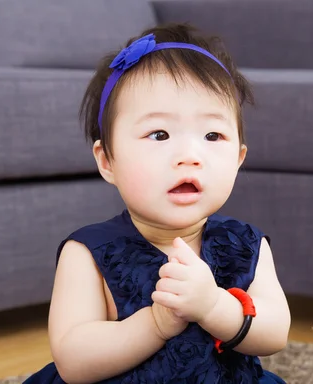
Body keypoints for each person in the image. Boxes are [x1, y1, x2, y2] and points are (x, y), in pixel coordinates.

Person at [23, 23, 291, 384]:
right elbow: (73, 360)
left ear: (239, 157)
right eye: (159, 134)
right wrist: (155, 323)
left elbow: (275, 333)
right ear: (107, 161)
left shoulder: (246, 244)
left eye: (213, 135)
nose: (190, 155)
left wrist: (213, 306)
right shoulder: (88, 251)